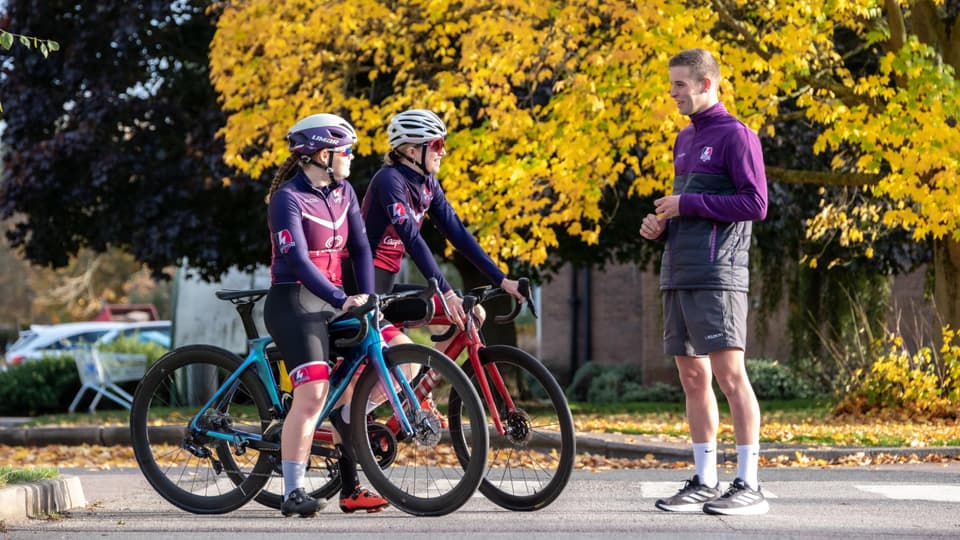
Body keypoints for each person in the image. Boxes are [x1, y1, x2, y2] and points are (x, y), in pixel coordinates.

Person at [639, 49, 769, 516]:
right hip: (678, 272)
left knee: (731, 377)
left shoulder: (737, 136)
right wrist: (661, 226)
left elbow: (755, 204)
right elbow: (690, 206)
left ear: (706, 83)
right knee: (692, 377)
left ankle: (749, 484)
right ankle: (705, 480)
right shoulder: (684, 139)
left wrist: (686, 204)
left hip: (719, 275)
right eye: (672, 83)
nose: (672, 92)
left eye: (679, 84)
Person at [263, 113, 391, 517]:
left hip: (334, 301)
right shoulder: (287, 199)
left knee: (349, 387)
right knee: (313, 393)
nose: (351, 157)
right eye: (345, 151)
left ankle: (350, 489)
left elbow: (362, 249)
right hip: (294, 302)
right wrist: (340, 298)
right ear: (322, 155)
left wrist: (368, 296)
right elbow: (298, 261)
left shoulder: (344, 191)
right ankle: (293, 492)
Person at [344, 108, 524, 330]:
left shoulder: (428, 183)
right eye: (437, 145)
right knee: (404, 348)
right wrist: (446, 293)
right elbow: (412, 239)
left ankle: (435, 357)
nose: (443, 152)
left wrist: (502, 280)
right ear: (412, 151)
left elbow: (458, 233)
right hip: (360, 281)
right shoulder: (389, 180)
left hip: (387, 283)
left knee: (473, 312)